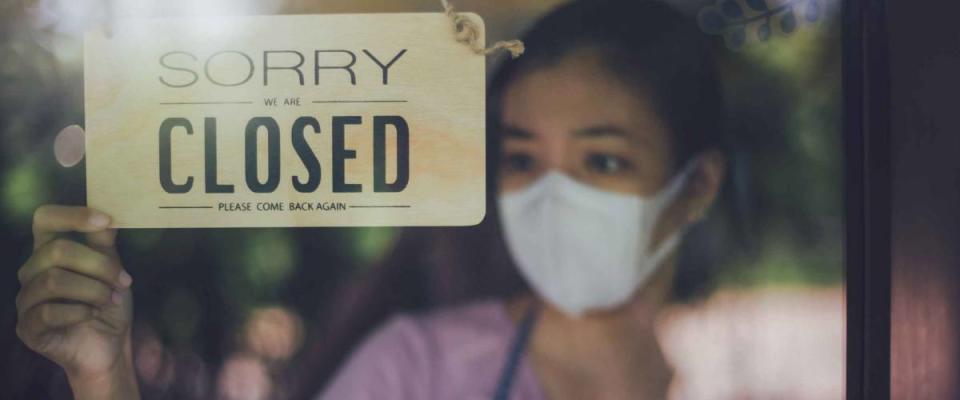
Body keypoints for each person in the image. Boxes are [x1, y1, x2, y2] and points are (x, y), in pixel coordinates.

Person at [15, 0, 727, 398]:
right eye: (520, 157)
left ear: (696, 186)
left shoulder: (775, 373)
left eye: (602, 158)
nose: (553, 193)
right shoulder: (413, 371)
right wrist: (103, 376)